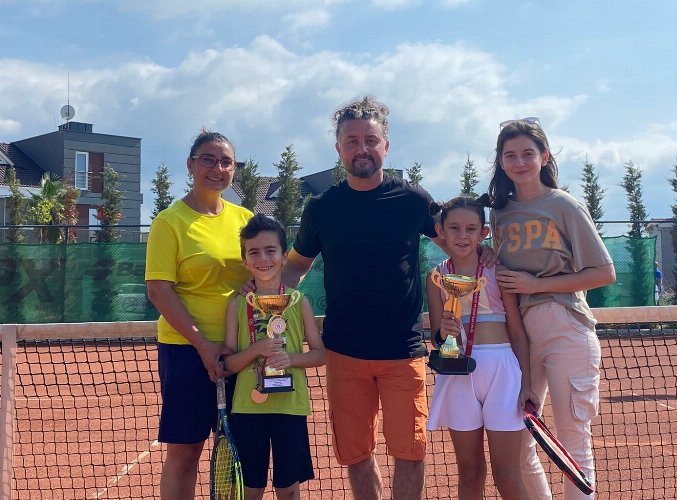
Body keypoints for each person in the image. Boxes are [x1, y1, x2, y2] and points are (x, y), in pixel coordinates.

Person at [280, 96, 493, 500]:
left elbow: (455, 245)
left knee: (410, 453)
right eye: (352, 141)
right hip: (343, 353)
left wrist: (487, 255)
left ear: (386, 146)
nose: (362, 149)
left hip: (403, 352)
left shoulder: (413, 200)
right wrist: (262, 293)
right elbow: (295, 268)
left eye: (370, 140)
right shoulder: (321, 208)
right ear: (339, 149)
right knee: (357, 456)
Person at [487, 118, 616, 500]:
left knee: (573, 443)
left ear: (544, 157)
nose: (519, 162)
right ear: (501, 161)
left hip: (566, 327)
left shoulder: (564, 205)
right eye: (510, 155)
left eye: (528, 153)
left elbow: (604, 272)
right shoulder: (499, 213)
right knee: (521, 441)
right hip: (518, 336)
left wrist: (537, 285)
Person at [145, 130, 253, 500]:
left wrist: (259, 283)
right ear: (190, 165)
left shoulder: (246, 219)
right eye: (208, 159)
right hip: (186, 352)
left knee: (240, 450)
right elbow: (159, 290)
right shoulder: (169, 221)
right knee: (185, 452)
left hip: (241, 352)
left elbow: (266, 270)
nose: (217, 168)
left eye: (226, 162)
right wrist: (203, 344)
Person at [426, 196, 538, 500]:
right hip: (457, 374)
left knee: (507, 476)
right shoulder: (435, 277)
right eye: (454, 228)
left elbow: (517, 331)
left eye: (471, 229)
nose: (462, 236)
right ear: (441, 231)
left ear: (483, 233)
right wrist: (444, 333)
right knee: (470, 473)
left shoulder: (497, 271)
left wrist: (527, 383)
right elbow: (437, 337)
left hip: (503, 373)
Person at [223, 214, 325, 500]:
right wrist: (256, 350)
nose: (263, 258)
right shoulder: (236, 304)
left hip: (289, 408)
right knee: (250, 489)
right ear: (245, 261)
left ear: (283, 256)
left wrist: (290, 360)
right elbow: (228, 364)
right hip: (247, 408)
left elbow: (320, 354)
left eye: (271, 250)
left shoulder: (299, 302)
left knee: (288, 489)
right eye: (254, 252)